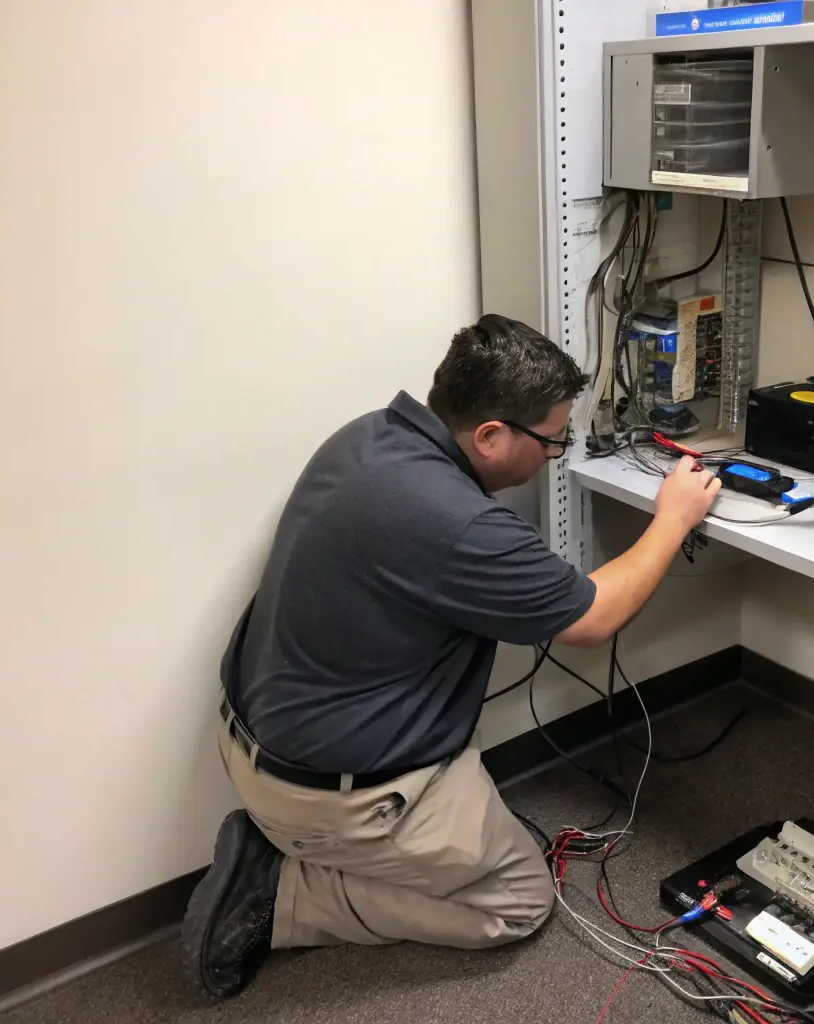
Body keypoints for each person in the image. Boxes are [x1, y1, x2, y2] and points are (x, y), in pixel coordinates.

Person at [182, 314, 721, 999]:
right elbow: (592, 618)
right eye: (552, 441)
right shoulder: (458, 522)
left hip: (260, 736)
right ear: (490, 435)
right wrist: (673, 517)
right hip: (324, 791)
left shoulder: (367, 436)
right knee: (520, 899)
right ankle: (284, 889)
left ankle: (310, 843)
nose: (555, 455)